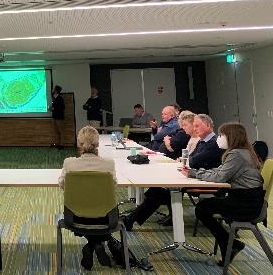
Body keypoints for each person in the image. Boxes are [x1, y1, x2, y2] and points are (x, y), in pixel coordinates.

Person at [123, 113, 222, 231]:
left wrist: (185, 162)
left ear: (207, 125)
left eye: (197, 126)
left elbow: (194, 161)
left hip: (204, 179)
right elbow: (192, 159)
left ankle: (131, 219)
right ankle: (131, 219)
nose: (195, 129)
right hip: (195, 175)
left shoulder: (213, 142)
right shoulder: (204, 141)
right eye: (194, 126)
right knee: (158, 190)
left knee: (160, 192)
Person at [183, 123, 264, 266]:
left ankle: (229, 243)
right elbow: (218, 171)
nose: (218, 138)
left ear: (231, 137)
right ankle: (228, 243)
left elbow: (219, 177)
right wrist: (195, 172)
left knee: (202, 209)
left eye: (221, 135)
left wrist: (194, 173)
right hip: (249, 199)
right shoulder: (242, 151)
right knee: (204, 207)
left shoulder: (236, 154)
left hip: (246, 204)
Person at [58, 126, 116, 270]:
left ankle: (91, 246)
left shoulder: (69, 163)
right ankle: (95, 244)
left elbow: (62, 185)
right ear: (98, 144)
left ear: (79, 144)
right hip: (106, 218)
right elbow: (113, 186)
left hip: (75, 218)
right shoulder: (109, 164)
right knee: (100, 210)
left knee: (86, 211)